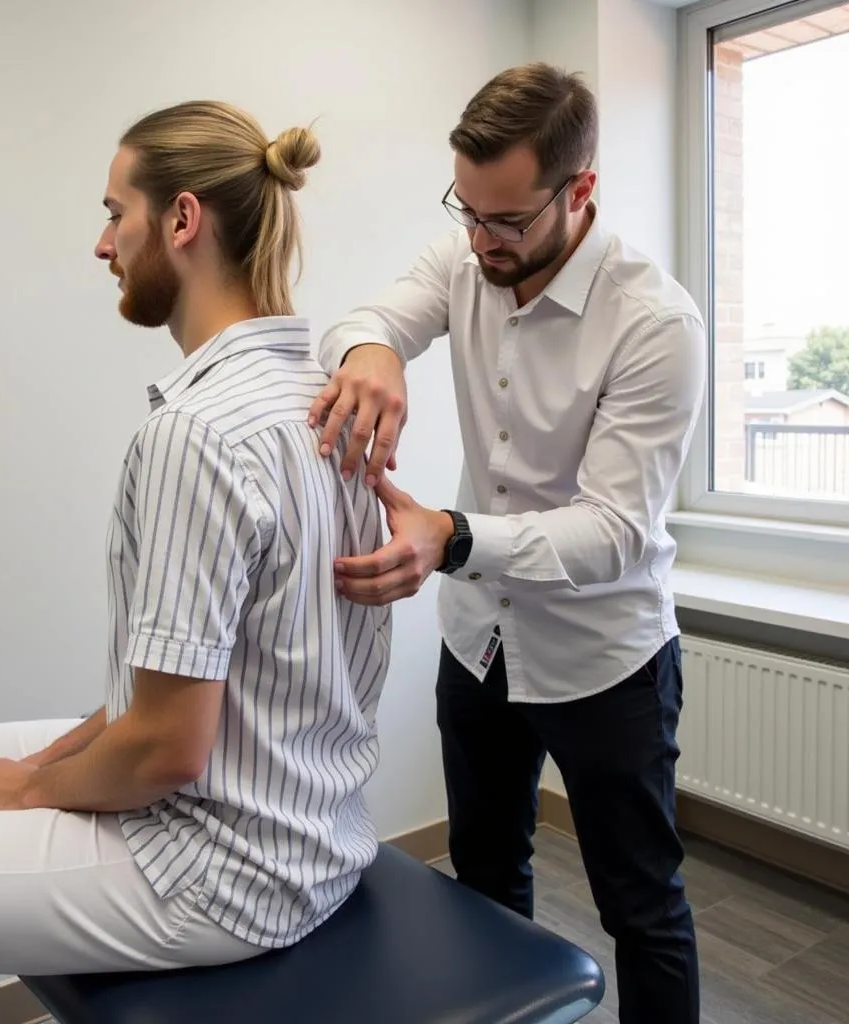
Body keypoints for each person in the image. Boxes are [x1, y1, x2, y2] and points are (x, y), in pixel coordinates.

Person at [0, 100, 391, 1024]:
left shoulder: (196, 434)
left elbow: (168, 748)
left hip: (223, 870)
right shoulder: (325, 400)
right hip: (311, 827)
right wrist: (36, 765)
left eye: (113, 213)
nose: (102, 245)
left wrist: (34, 789)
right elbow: (186, 679)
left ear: (180, 220)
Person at [310, 63, 706, 1024]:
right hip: (477, 643)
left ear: (581, 192)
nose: (480, 240)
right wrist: (369, 353)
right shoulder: (464, 256)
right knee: (485, 877)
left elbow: (613, 532)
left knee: (641, 907)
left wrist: (448, 538)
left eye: (507, 222)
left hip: (604, 660)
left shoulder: (655, 323)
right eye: (467, 212)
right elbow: (365, 319)